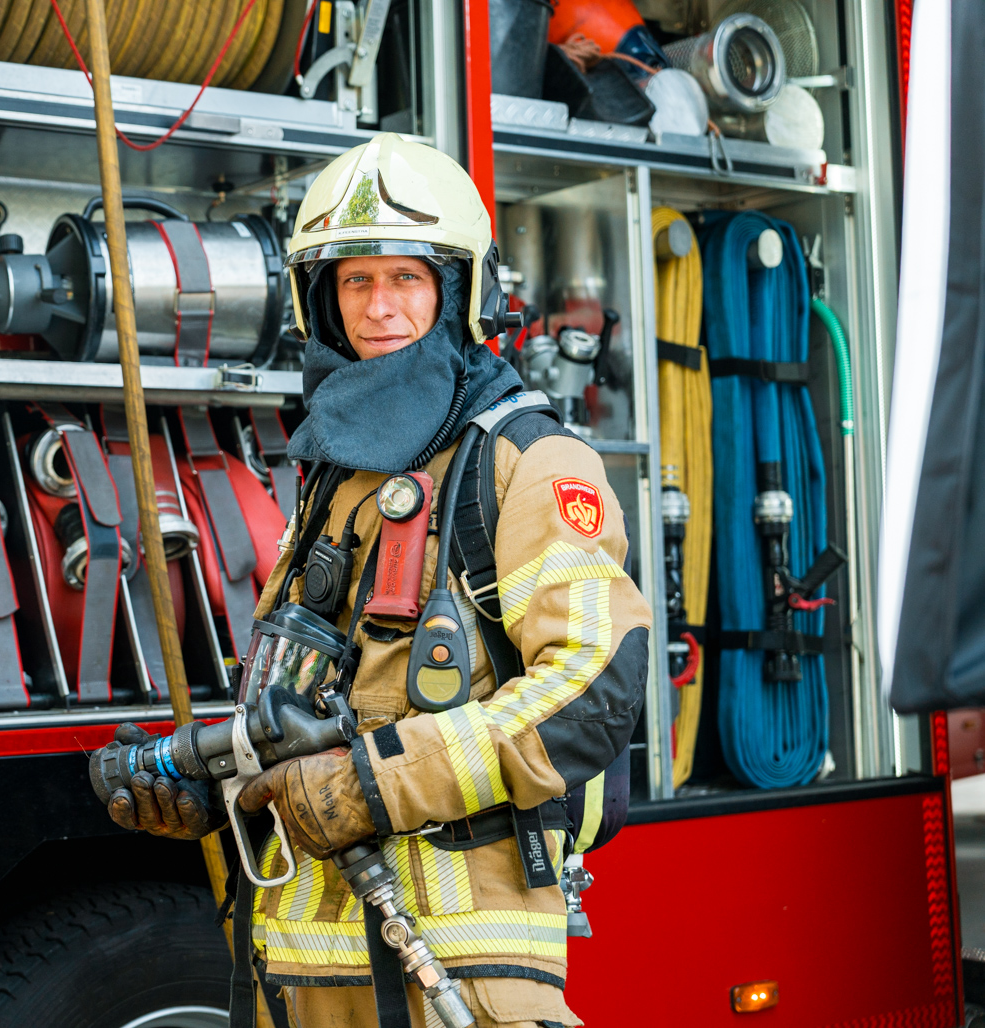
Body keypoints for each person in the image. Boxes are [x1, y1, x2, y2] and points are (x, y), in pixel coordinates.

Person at [106, 133, 651, 1028]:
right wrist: (210, 787)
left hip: (458, 972)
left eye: (406, 277)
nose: (379, 307)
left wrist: (377, 782)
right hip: (297, 973)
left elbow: (590, 692)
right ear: (320, 298)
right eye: (355, 280)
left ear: (457, 290)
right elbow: (319, 709)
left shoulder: (527, 463)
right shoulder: (336, 477)